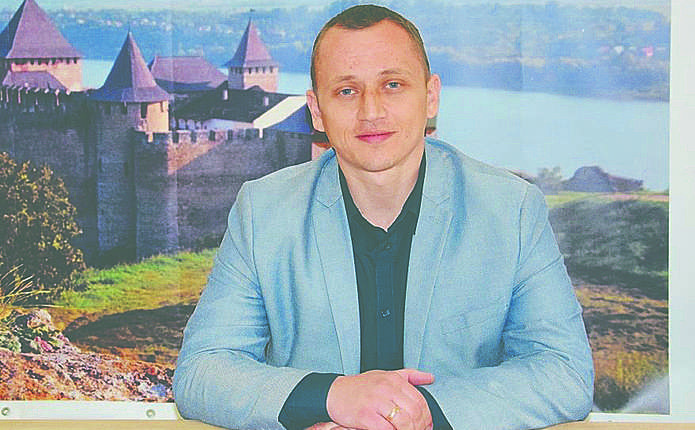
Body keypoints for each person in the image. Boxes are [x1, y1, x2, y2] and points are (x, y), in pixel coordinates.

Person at [173, 5, 594, 430]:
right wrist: (334, 396)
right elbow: (202, 371)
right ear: (316, 110)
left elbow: (564, 372)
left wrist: (418, 411)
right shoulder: (263, 211)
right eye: (346, 91)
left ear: (431, 96)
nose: (371, 111)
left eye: (392, 85)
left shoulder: (511, 209)